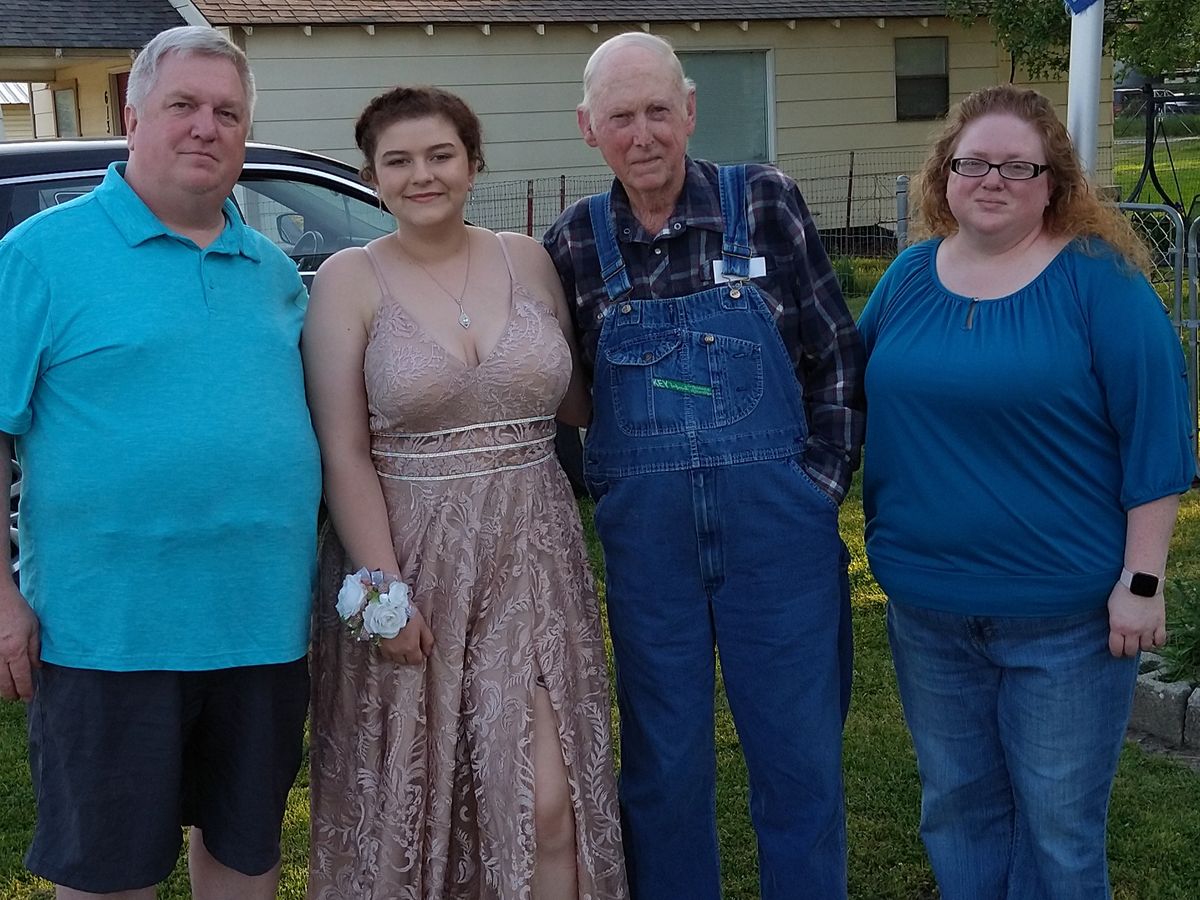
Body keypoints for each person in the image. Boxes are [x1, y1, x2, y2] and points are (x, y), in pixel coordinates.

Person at [0, 25, 319, 899]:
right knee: (109, 872)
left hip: (261, 623)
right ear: (135, 117)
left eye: (228, 112)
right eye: (184, 105)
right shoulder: (37, 258)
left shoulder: (273, 272)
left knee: (246, 854)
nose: (206, 127)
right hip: (108, 632)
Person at [543, 32, 864, 900]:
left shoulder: (763, 200)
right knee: (663, 770)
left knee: (799, 764)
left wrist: (819, 487)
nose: (642, 134)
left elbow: (834, 351)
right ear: (588, 128)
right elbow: (561, 391)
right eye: (620, 116)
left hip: (778, 537)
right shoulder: (572, 243)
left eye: (658, 110)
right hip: (650, 552)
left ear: (689, 111)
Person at [857, 84, 1196, 900]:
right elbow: (841, 397)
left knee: (1058, 833)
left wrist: (1142, 581)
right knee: (956, 812)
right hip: (928, 612)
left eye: (1018, 166)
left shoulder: (1099, 284)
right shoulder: (907, 278)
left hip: (1064, 624)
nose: (992, 180)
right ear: (945, 174)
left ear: (1053, 183)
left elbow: (1157, 437)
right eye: (973, 163)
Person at [303, 85, 627, 900]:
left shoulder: (528, 259)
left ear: (474, 163)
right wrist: (381, 594)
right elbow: (343, 451)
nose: (422, 175)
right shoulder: (348, 279)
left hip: (532, 560)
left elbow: (579, 401)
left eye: (440, 155)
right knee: (420, 805)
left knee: (547, 804)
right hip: (409, 561)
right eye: (398, 161)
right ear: (372, 178)